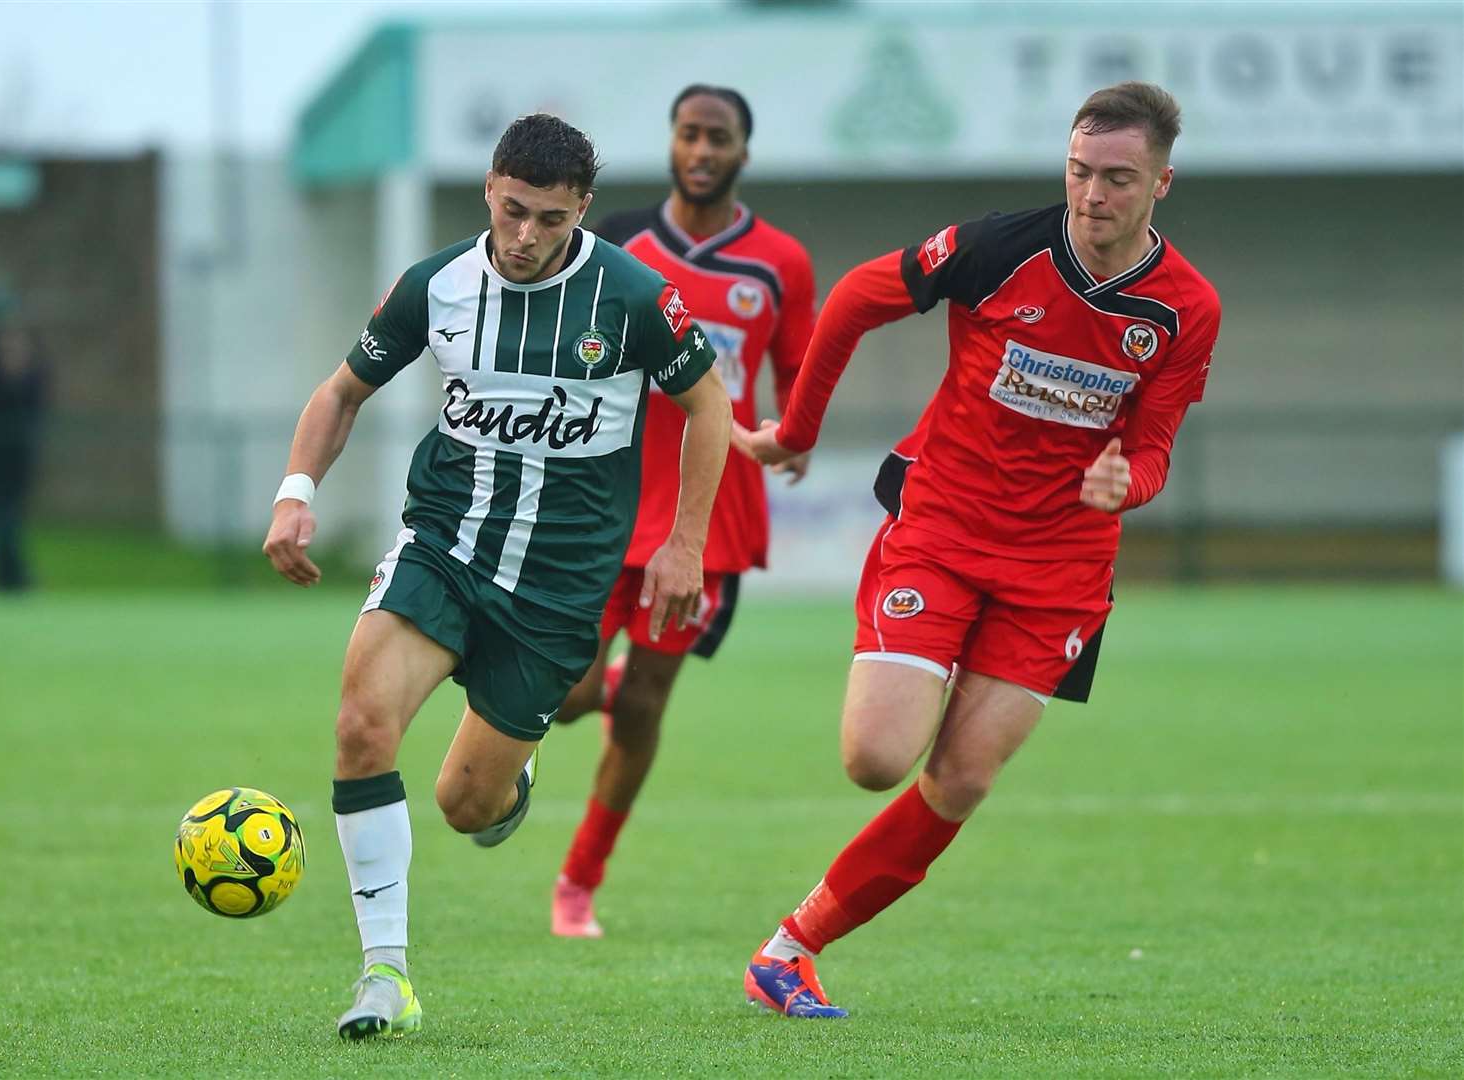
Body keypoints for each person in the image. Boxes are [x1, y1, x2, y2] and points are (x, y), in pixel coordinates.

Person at [733, 82, 1222, 1017]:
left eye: (1119, 179)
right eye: (1080, 172)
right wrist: (796, 430)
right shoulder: (998, 248)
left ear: (1163, 181)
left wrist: (1133, 483)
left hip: (1061, 572)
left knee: (960, 778)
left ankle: (790, 950)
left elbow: (1153, 444)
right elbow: (851, 301)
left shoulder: (1185, 307)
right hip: (944, 529)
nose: (1092, 196)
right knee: (876, 759)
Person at [260, 114, 731, 1040]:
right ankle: (383, 976)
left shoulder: (632, 295)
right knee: (362, 725)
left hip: (558, 588)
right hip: (444, 545)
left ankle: (507, 783)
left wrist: (685, 543)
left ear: (582, 210)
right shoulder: (435, 286)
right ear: (488, 189)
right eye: (513, 211)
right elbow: (341, 390)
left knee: (465, 806)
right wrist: (294, 492)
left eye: (550, 220)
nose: (525, 236)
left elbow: (707, 404)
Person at [546, 85, 816, 939]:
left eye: (719, 138)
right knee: (564, 694)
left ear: (743, 151)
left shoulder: (780, 262)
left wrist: (792, 435)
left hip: (709, 517)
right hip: (605, 496)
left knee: (644, 709)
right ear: (671, 142)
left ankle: (579, 882)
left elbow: (800, 376)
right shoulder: (614, 241)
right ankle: (605, 680)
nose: (702, 150)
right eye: (689, 134)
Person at [0, 322, 49, 592]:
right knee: (3, 517)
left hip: (19, 458)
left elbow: (35, 413)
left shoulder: (33, 377)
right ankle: (11, 575)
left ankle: (11, 576)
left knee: (10, 517)